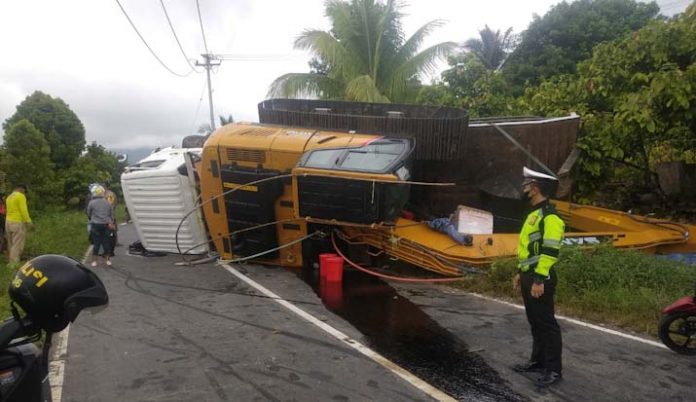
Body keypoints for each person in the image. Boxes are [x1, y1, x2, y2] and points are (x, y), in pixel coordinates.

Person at [512, 167, 565, 387]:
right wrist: (519, 271)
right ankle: (538, 361)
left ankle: (553, 370)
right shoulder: (534, 215)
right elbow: (529, 249)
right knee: (535, 322)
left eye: (527, 185)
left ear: (535, 188)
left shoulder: (551, 218)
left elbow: (550, 251)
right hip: (528, 275)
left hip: (540, 278)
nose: (524, 188)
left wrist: (539, 279)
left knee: (546, 323)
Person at [4, 184, 33, 263]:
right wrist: (29, 222)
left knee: (11, 243)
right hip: (17, 222)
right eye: (24, 191)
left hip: (8, 222)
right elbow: (23, 210)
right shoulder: (20, 196)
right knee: (17, 244)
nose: (24, 193)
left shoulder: (9, 197)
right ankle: (14, 263)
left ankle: (10, 260)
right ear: (22, 189)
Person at [87, 185, 114, 267]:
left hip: (96, 224)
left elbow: (89, 213)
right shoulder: (107, 202)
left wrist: (93, 218)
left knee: (96, 243)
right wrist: (110, 222)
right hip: (106, 224)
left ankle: (94, 261)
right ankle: (107, 261)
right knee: (106, 242)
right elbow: (111, 214)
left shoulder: (91, 202)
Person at [103, 181, 118, 255]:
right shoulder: (104, 194)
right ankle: (107, 251)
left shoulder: (110, 194)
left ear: (107, 187)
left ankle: (110, 251)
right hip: (105, 217)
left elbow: (110, 206)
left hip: (109, 217)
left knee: (111, 234)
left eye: (103, 186)